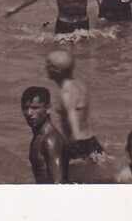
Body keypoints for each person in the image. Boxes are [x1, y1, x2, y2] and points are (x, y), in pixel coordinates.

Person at [44, 50, 108, 182]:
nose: (45, 67)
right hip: (92, 142)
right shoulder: (79, 85)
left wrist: (70, 153)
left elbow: (74, 125)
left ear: (56, 70)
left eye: (48, 64)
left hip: (78, 145)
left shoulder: (66, 93)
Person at [21, 86, 67, 183]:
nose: (29, 113)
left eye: (35, 108)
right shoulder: (39, 136)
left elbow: (58, 183)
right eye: (25, 108)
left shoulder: (50, 141)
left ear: (48, 108)